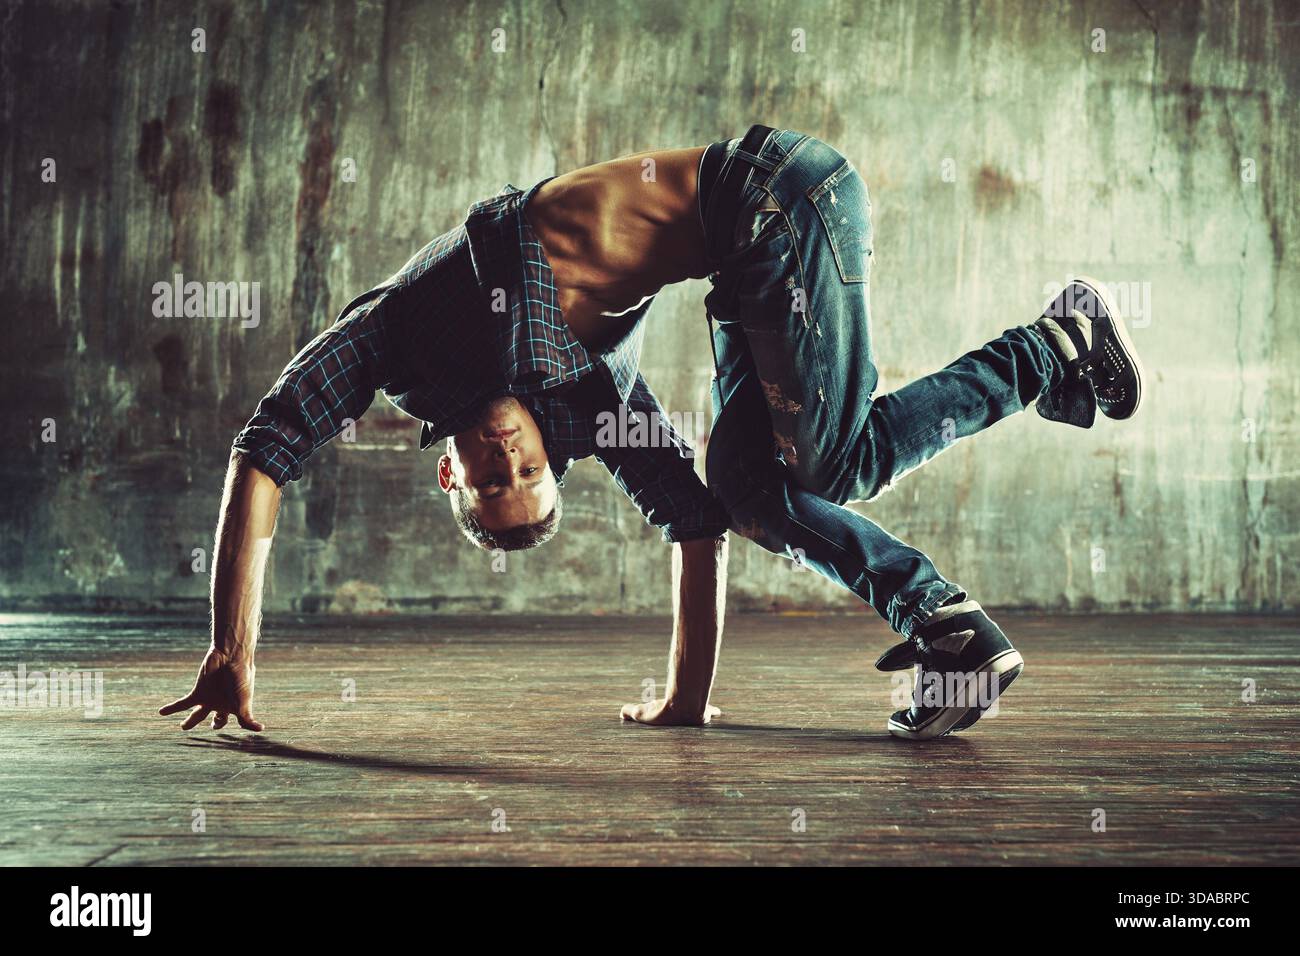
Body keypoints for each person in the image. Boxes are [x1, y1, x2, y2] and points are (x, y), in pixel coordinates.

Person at [696, 125, 1144, 738]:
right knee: (742, 481)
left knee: (828, 466)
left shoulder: (543, 325)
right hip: (746, 238)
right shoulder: (546, 353)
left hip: (773, 203)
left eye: (524, 476)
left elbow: (620, 389)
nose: (514, 463)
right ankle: (944, 623)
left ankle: (1050, 347)